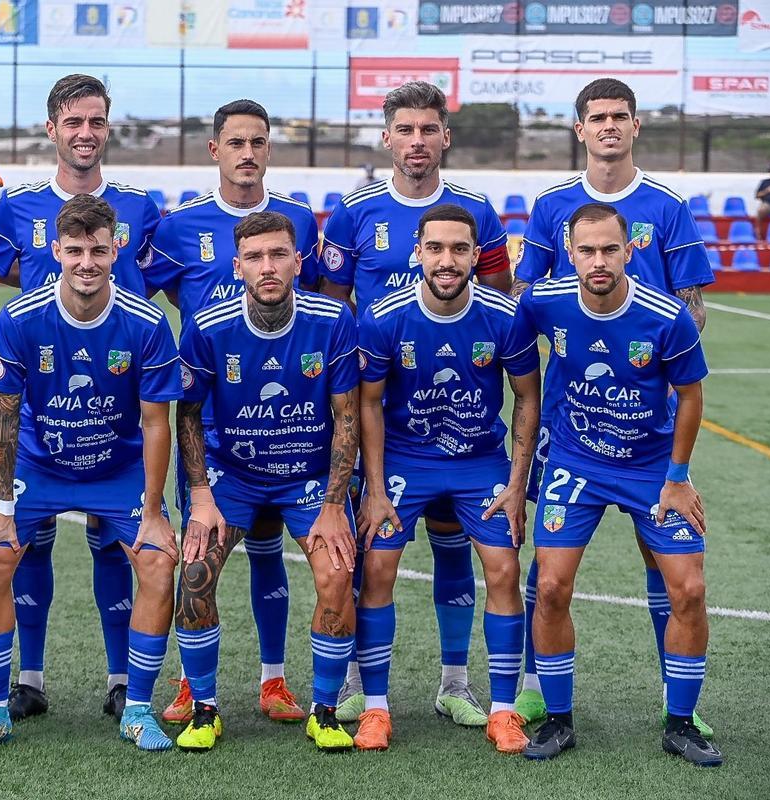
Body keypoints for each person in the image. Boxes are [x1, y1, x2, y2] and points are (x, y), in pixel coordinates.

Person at [511, 78, 715, 736]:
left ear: (635, 126)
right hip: (572, 423)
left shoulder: (667, 204)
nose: (607, 127)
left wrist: (646, 352)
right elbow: (524, 302)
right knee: (549, 568)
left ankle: (674, 694)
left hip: (649, 418)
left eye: (618, 117)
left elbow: (693, 306)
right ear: (579, 129)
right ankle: (541, 689)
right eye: (596, 117)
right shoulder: (550, 205)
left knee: (666, 563)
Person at [0, 73, 162, 723]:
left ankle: (120, 681)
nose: (84, 133)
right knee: (32, 541)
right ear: (52, 129)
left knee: (112, 542)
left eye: (96, 121)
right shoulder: (16, 205)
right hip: (42, 414)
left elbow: (152, 290)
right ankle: (32, 678)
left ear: (108, 128)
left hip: (114, 406)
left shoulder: (140, 205)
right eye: (73, 122)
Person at [320, 80, 512, 726]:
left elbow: (498, 307)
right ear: (387, 137)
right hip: (381, 419)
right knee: (369, 548)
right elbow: (330, 309)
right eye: (405, 130)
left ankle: (455, 684)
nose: (417, 141)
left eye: (429, 129)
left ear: (446, 136)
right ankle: (356, 683)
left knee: (455, 548)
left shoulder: (477, 212)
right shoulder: (355, 212)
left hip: (461, 420)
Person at [142, 98, 322, 725]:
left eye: (259, 141)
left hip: (286, 426)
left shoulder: (297, 219)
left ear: (270, 149)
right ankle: (195, 687)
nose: (248, 153)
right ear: (214, 150)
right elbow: (155, 298)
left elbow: (318, 305)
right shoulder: (177, 227)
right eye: (235, 142)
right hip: (211, 426)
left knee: (271, 549)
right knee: (201, 550)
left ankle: (274, 681)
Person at [352, 204, 541, 753]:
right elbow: (367, 406)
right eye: (435, 248)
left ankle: (503, 710)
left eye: (460, 249)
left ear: (476, 255)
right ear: (418, 252)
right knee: (379, 564)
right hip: (406, 461)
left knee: (504, 568)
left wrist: (515, 480)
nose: (447, 260)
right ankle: (376, 709)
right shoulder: (384, 317)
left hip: (479, 462)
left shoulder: (504, 316)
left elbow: (528, 397)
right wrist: (377, 487)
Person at [174, 211, 360, 753]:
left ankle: (324, 710)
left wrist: (333, 503)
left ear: (298, 261)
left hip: (306, 480)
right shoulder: (209, 325)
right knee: (194, 573)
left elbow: (346, 416)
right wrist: (202, 496)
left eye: (279, 254)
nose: (268, 267)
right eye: (255, 258)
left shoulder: (332, 319)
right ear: (237, 267)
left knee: (335, 572)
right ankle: (205, 708)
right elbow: (187, 413)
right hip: (232, 478)